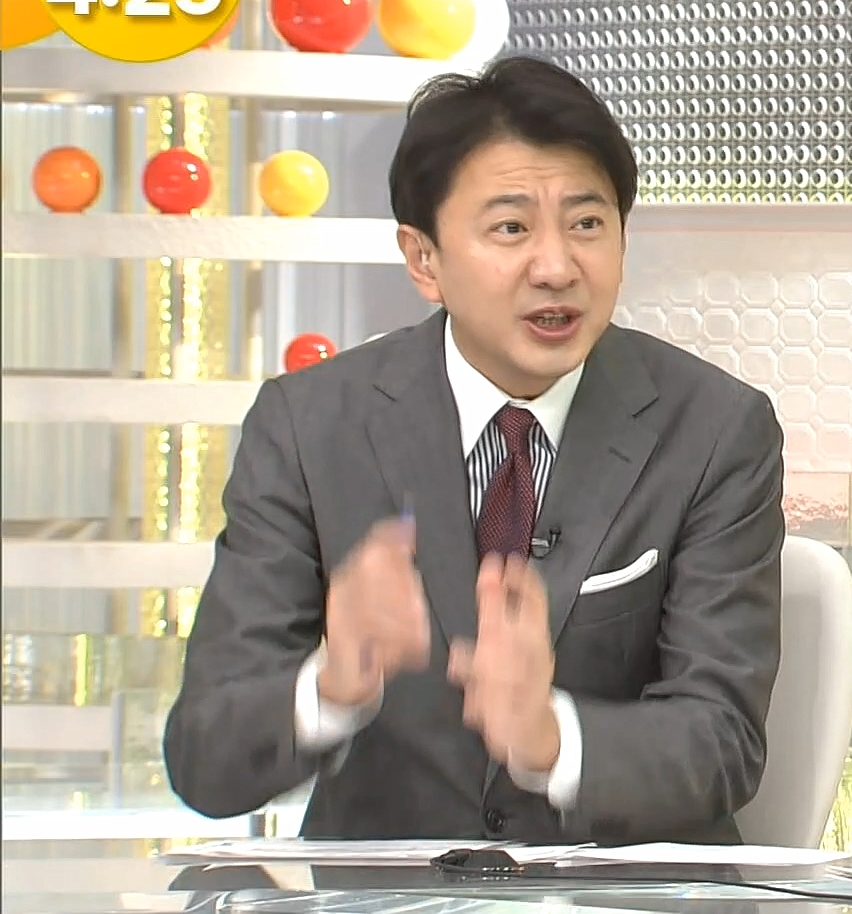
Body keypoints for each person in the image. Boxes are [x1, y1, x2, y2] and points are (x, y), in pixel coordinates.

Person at [164, 56, 786, 844]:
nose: (557, 267)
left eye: (587, 224)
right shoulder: (309, 426)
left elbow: (723, 743)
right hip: (386, 894)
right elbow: (205, 761)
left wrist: (551, 739)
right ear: (423, 260)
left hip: (623, 891)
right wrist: (330, 687)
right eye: (511, 228)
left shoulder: (716, 430)